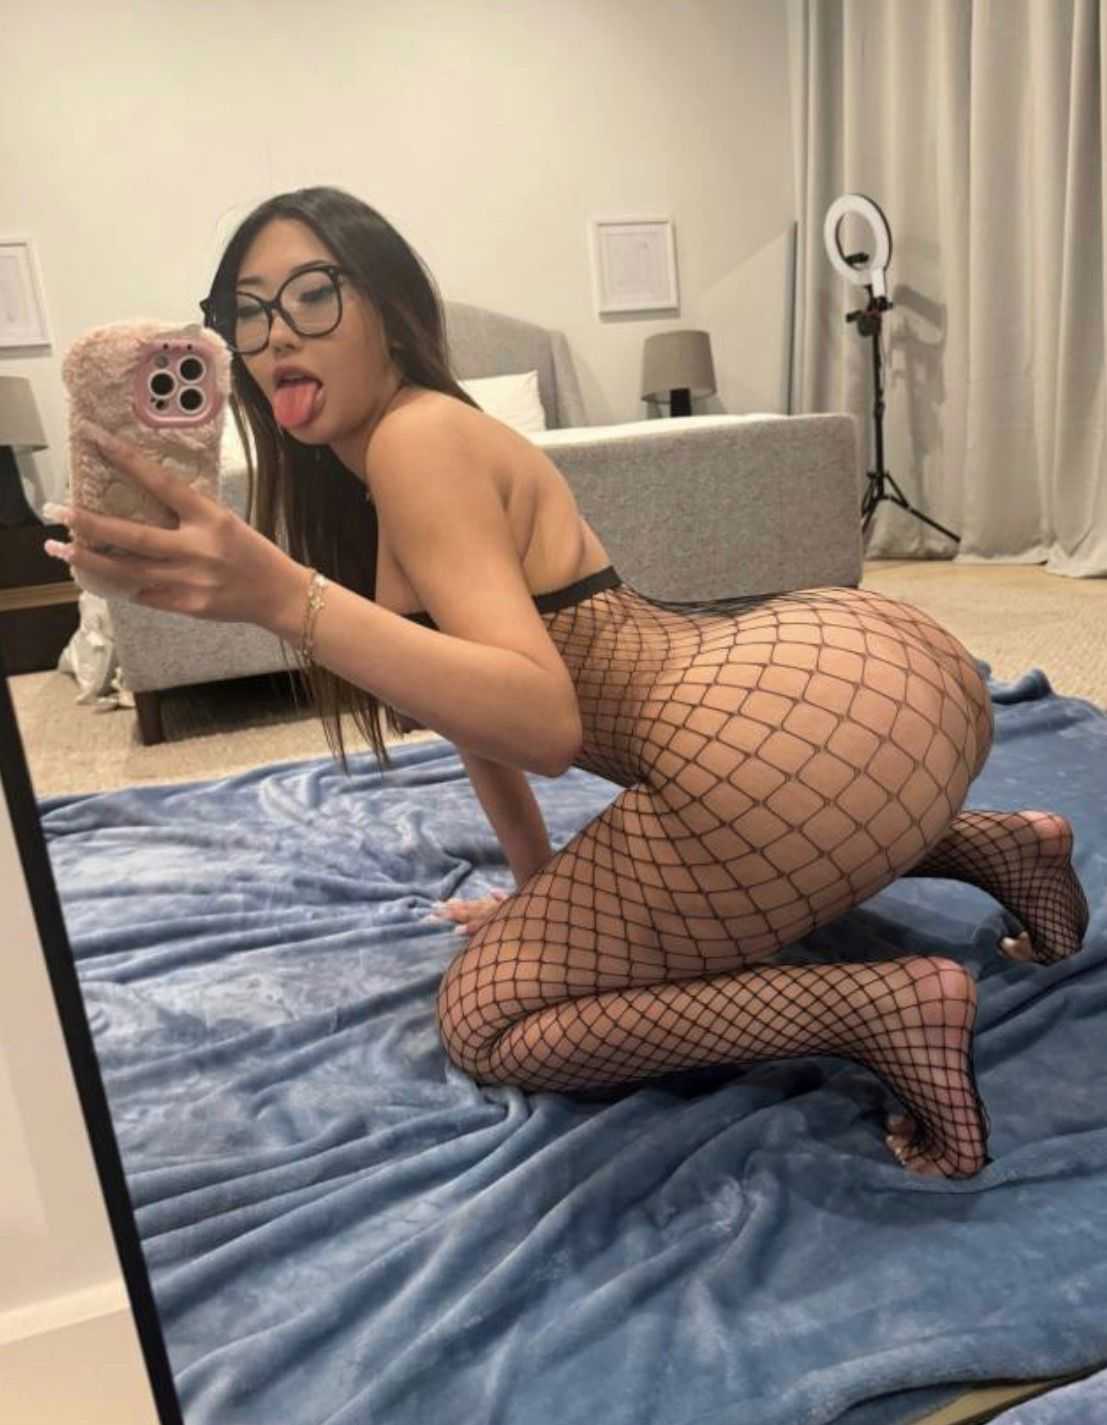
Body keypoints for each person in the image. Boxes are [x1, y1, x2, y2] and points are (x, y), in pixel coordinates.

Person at [47, 186, 1089, 1180]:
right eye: (248, 311)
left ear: (392, 314)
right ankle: (997, 845)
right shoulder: (415, 444)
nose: (278, 335)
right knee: (760, 815)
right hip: (878, 680)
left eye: (312, 295)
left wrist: (284, 597)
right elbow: (474, 707)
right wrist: (535, 882)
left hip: (757, 749)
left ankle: (873, 1009)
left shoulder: (413, 440)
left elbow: (539, 721)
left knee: (487, 1019)